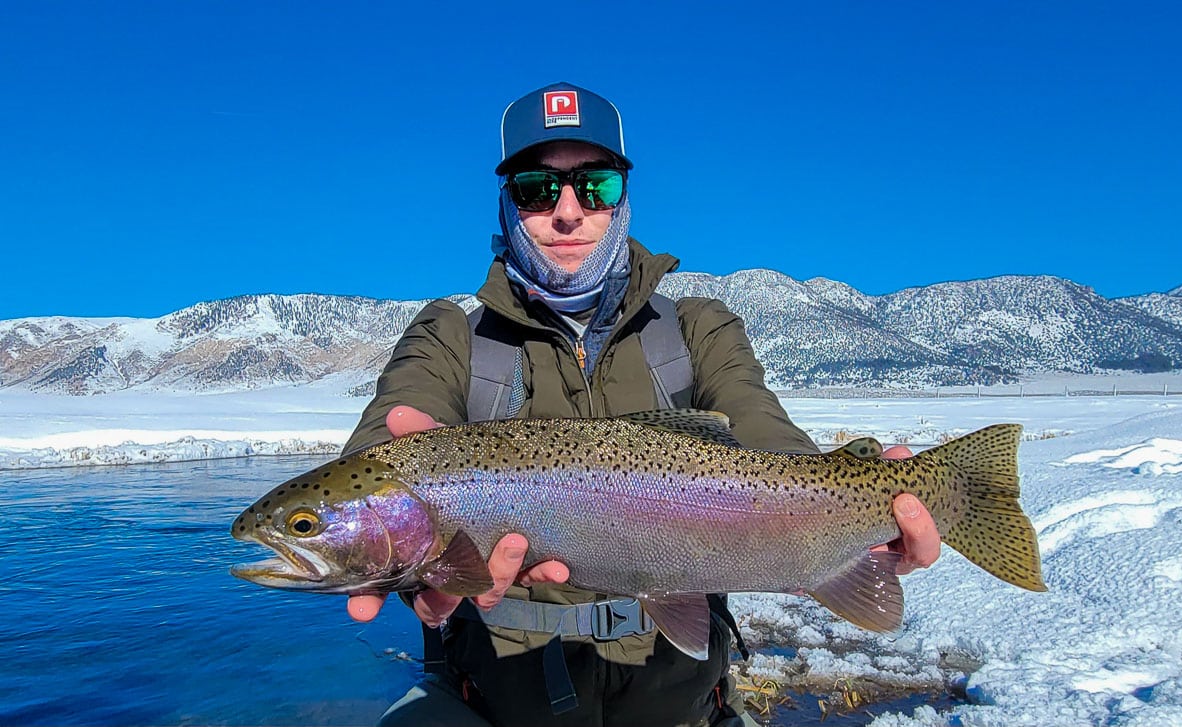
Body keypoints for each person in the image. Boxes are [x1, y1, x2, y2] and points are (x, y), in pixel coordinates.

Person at [340, 82, 942, 727]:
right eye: (537, 188)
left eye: (594, 186)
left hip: (676, 684)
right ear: (507, 203)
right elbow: (385, 439)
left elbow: (767, 438)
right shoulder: (450, 335)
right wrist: (400, 553)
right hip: (502, 685)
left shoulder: (697, 330)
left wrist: (846, 517)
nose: (567, 211)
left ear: (623, 197)